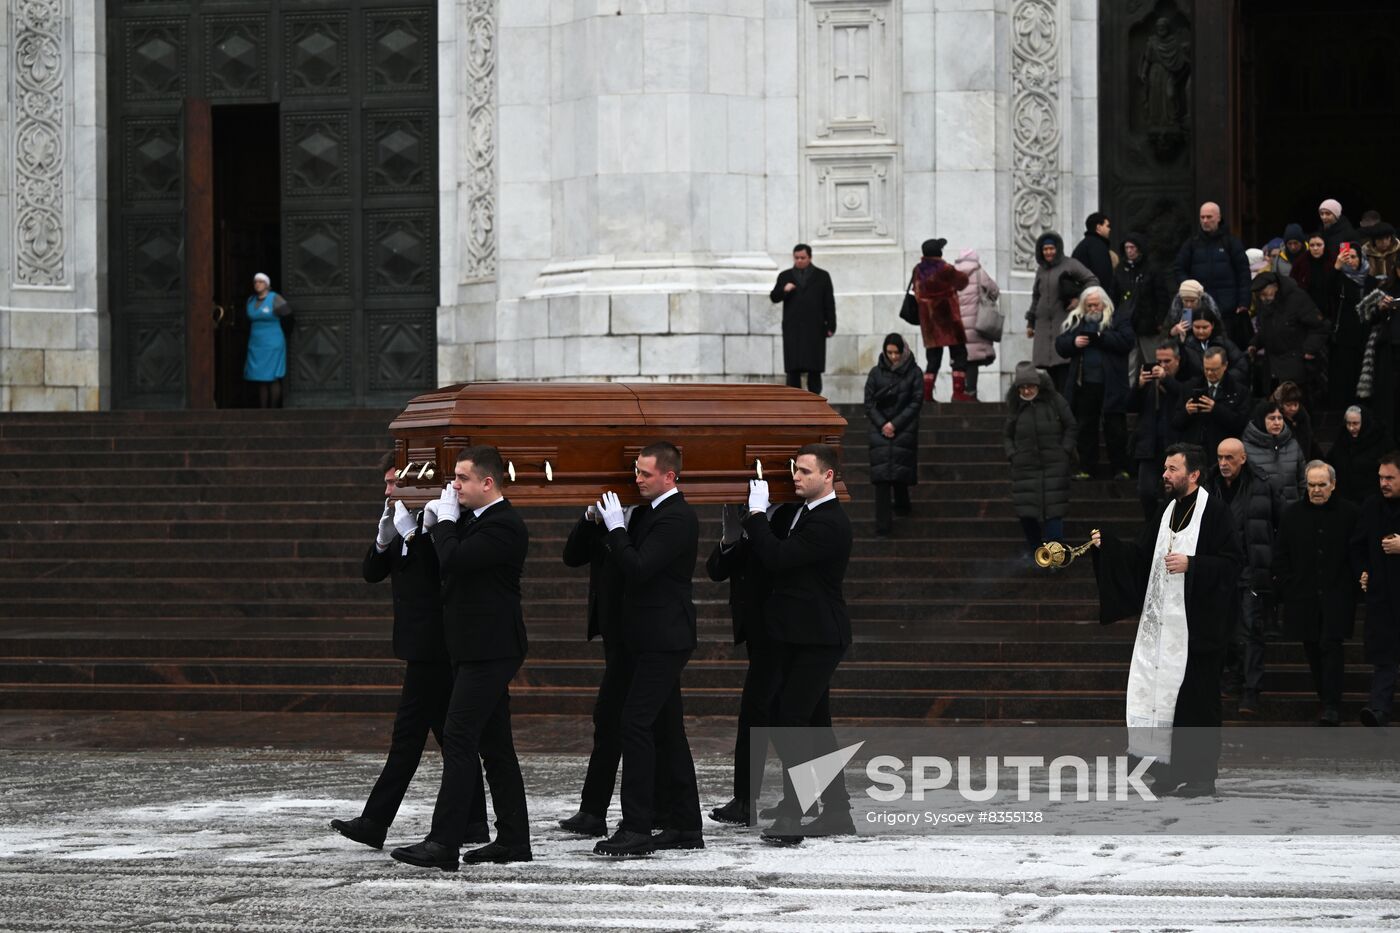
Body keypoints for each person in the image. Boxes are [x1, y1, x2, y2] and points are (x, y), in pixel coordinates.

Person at [331, 454, 487, 851]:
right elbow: (372, 572)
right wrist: (386, 539)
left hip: (436, 648)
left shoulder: (442, 522)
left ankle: (376, 821)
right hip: (419, 647)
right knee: (446, 740)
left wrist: (415, 538)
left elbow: (439, 574)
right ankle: (471, 824)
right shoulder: (408, 522)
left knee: (411, 739)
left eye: (392, 484)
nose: (387, 492)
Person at [391, 446, 532, 870]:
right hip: (473, 648)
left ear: (487, 482)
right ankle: (513, 840)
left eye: (462, 478)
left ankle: (444, 842)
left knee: (458, 737)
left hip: (491, 650)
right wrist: (423, 531)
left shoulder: (504, 525)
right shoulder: (477, 522)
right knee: (495, 746)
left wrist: (446, 522)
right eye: (454, 478)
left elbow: (454, 560)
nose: (454, 486)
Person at [1090, 443, 1245, 797]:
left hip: (1198, 632)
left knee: (1197, 704)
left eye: (1172, 469)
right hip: (1160, 631)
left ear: (1193, 475)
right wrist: (1109, 547)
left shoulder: (1216, 512)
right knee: (1160, 701)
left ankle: (1201, 776)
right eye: (1164, 468)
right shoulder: (1167, 511)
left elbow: (1234, 563)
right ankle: (1166, 770)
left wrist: (1194, 564)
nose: (1164, 475)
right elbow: (1141, 556)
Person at [591, 442, 703, 857]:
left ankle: (638, 826)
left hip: (664, 638)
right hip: (649, 637)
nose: (636, 479)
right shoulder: (655, 513)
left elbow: (639, 568)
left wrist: (618, 529)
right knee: (666, 731)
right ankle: (685, 824)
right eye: (636, 471)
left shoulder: (676, 517)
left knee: (634, 724)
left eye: (644, 473)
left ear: (670, 476)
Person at [742, 444, 855, 845]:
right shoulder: (807, 514)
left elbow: (776, 557)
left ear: (828, 476)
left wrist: (757, 516)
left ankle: (794, 813)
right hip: (800, 634)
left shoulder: (828, 522)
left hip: (819, 637)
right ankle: (838, 810)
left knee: (789, 719)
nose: (796, 477)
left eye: (805, 471)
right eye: (795, 470)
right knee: (814, 724)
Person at [704, 500, 798, 826]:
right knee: (768, 714)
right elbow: (716, 571)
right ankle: (758, 798)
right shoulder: (752, 515)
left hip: (781, 630)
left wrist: (755, 522)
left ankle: (747, 800)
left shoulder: (790, 515)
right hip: (758, 630)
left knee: (761, 712)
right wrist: (730, 539)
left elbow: (776, 561)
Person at [1272, 461, 1360, 726]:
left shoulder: (1349, 513)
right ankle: (1326, 699)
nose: (1316, 490)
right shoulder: (1292, 514)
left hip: (1337, 594)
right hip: (1303, 595)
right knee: (1312, 646)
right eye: (1311, 485)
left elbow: (1355, 551)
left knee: (1331, 645)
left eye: (1322, 485)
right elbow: (1281, 554)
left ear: (1333, 485)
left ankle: (1332, 705)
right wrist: (1288, 584)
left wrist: (1352, 584)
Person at [1206, 439, 1284, 717]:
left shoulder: (1262, 485)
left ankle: (1251, 689)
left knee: (1252, 627)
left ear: (1242, 458)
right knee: (1223, 628)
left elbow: (1280, 523)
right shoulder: (1209, 485)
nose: (1223, 463)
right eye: (1220, 457)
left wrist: (1272, 563)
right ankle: (1234, 675)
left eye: (1229, 458)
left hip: (1251, 568)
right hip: (1219, 569)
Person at [1053, 285, 1134, 480]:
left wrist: (1100, 337)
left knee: (1116, 429)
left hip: (1111, 385)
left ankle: (1120, 468)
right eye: (1089, 305)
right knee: (1085, 428)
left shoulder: (1117, 319)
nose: (1093, 309)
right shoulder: (1077, 320)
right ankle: (1087, 468)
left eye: (1096, 305)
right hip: (1085, 385)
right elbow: (1060, 344)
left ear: (1104, 303)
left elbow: (1127, 341)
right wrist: (1074, 343)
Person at [1004, 361, 1076, 558]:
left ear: (1038, 384)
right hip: (1025, 467)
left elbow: (1070, 425)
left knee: (1053, 513)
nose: (1027, 391)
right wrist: (1012, 453)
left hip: (1054, 464)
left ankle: (1054, 557)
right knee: (1027, 514)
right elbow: (1007, 434)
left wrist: (1065, 451)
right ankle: (1038, 553)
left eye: (1030, 386)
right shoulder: (1015, 405)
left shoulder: (1054, 400)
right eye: (1022, 387)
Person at [1350, 452, 1400, 727]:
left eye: (1390, 477)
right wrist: (1363, 572)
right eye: (1381, 477)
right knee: (1384, 657)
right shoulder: (1371, 506)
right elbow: (1357, 546)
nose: (1384, 483)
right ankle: (1378, 709)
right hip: (1382, 594)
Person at [863, 334, 923, 535]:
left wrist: (894, 424)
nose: (893, 356)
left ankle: (903, 506)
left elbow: (916, 401)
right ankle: (883, 527)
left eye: (896, 352)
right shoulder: (875, 373)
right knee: (882, 477)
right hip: (881, 430)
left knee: (899, 471)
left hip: (903, 428)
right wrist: (883, 424)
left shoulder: (914, 373)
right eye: (889, 352)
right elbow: (869, 403)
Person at [1025, 232, 1099, 391]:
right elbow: (1036, 296)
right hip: (1044, 326)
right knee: (1049, 369)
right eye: (1045, 249)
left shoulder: (1071, 264)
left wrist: (1079, 299)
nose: (1048, 252)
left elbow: (1092, 280)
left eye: (1051, 248)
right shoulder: (1041, 270)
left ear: (1057, 249)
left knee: (1064, 365)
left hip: (1063, 321)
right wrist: (1031, 322)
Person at [1174, 202, 1252, 348]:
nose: (1205, 221)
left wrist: (1243, 302)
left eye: (1209, 217)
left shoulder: (1231, 243)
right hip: (1197, 308)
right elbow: (1179, 268)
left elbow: (1243, 273)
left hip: (1227, 308)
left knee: (1226, 348)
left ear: (1218, 218)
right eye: (1202, 217)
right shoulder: (1192, 244)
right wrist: (1189, 289)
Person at [1249, 271, 1329, 404]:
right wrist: (1255, 343)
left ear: (1275, 286)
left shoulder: (1297, 298)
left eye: (1265, 294)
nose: (1263, 299)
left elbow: (1320, 327)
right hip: (1273, 367)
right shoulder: (1265, 304)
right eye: (1260, 296)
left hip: (1296, 363)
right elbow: (1267, 329)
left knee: (1296, 406)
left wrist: (1309, 349)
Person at [1128, 342, 1186, 522]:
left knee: (1174, 493)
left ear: (1177, 360)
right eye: (1158, 361)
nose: (1162, 365)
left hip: (1174, 445)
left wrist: (1166, 380)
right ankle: (1153, 526)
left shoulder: (1183, 379)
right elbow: (1130, 406)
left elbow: (1184, 395)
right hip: (1149, 445)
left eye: (1167, 361)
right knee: (1145, 491)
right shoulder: (1149, 382)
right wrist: (1139, 385)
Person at [769, 244, 836, 396]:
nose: (799, 261)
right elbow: (774, 297)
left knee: (814, 368)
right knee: (793, 369)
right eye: (796, 258)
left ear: (810, 258)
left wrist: (831, 325)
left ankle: (816, 402)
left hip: (815, 329)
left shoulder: (822, 276)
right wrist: (784, 290)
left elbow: (829, 303)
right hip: (793, 330)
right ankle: (795, 403)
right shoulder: (785, 276)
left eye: (802, 258)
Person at [911, 238, 971, 402]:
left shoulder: (918, 270)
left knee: (933, 358)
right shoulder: (945, 269)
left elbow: (916, 292)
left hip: (929, 321)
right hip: (949, 318)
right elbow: (963, 282)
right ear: (939, 252)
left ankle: (927, 394)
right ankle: (958, 393)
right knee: (959, 354)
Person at [1171, 347, 1250, 462]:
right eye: (1206, 369)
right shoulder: (1189, 387)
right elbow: (1175, 423)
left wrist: (1216, 409)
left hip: (1223, 454)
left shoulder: (1239, 391)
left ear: (1225, 366)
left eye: (1214, 370)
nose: (1209, 373)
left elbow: (1240, 424)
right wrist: (1186, 412)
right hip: (1193, 453)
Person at [1113, 232, 1168, 372]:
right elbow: (1114, 295)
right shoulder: (1120, 270)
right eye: (1127, 247)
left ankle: (1156, 391)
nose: (1129, 251)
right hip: (1127, 324)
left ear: (1139, 248)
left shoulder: (1152, 269)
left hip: (1149, 324)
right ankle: (1131, 392)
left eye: (1132, 247)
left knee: (1153, 361)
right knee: (1129, 365)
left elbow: (1162, 296)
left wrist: (1159, 320)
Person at [952, 248, 1001, 401]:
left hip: (958, 325)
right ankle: (971, 393)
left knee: (960, 359)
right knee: (972, 359)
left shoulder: (953, 275)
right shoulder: (980, 273)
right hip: (976, 324)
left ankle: (958, 393)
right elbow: (994, 291)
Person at [1241, 401, 1306, 507]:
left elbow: (1302, 481)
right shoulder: (1245, 448)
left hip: (1291, 512)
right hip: (1259, 514)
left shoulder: (1293, 445)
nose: (1277, 423)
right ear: (1261, 420)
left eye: (1280, 418)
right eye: (1272, 418)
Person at [243, 272, 291, 408]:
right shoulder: (250, 300)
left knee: (272, 377)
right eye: (255, 282)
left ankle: (273, 409)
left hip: (273, 342)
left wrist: (285, 334)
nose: (257, 284)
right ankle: (263, 410)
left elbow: (288, 316)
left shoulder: (275, 298)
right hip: (256, 343)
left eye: (260, 282)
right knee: (260, 378)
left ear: (267, 284)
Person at [1174, 306, 1248, 389]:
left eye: (1205, 327)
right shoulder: (1186, 345)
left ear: (1212, 325)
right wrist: (1179, 341)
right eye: (1197, 327)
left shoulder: (1223, 343)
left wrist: (1223, 379)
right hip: (1195, 389)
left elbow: (1241, 366)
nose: (1200, 331)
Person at [1328, 405, 1386, 505]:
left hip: (1371, 500)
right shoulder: (1342, 439)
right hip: (1345, 499)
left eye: (1355, 424)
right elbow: (1332, 461)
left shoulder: (1379, 440)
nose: (1351, 428)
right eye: (1348, 423)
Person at [1072, 212, 1115, 287]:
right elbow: (1103, 275)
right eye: (1107, 226)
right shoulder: (1098, 246)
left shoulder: (1084, 244)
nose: (1109, 229)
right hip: (1095, 294)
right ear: (1098, 227)